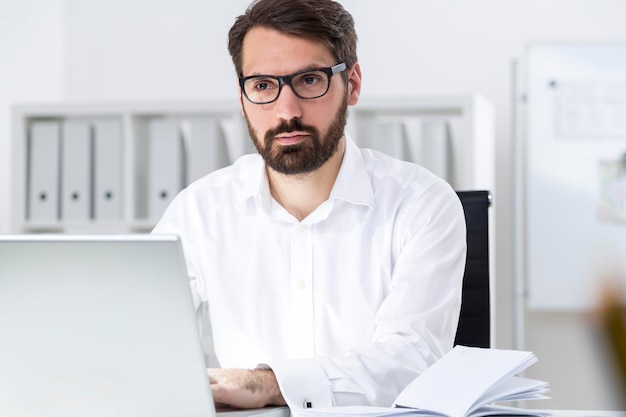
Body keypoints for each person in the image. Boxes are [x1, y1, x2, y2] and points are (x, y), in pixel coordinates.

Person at [152, 0, 467, 412]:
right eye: (263, 85)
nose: (287, 112)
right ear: (242, 95)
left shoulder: (421, 203)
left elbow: (412, 360)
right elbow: (135, 330)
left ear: (352, 85)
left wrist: (268, 384)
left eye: (309, 80)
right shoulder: (200, 210)